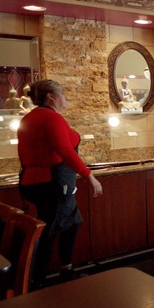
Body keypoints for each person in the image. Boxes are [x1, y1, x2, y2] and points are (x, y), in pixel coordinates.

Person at [17, 79, 103, 287]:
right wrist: (89, 176)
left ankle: (65, 269)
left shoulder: (29, 118)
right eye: (63, 93)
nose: (65, 98)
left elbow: (23, 154)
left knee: (73, 221)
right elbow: (65, 151)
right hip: (52, 182)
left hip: (32, 181)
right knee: (50, 229)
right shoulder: (51, 119)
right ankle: (36, 280)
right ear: (51, 97)